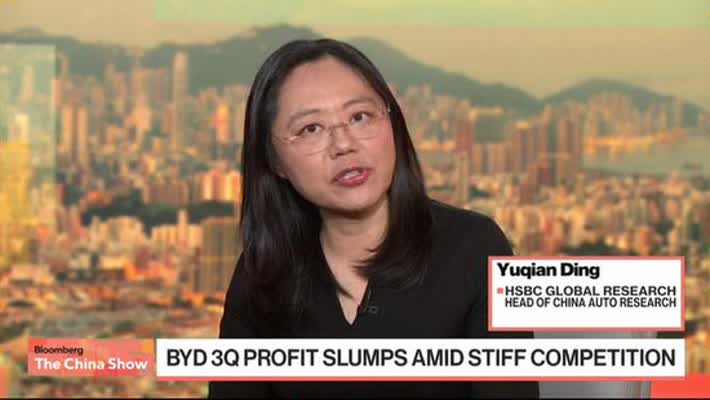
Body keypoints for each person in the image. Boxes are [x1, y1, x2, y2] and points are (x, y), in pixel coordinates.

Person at [209, 38, 539, 399]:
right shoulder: (262, 273)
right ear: (274, 161)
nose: (344, 144)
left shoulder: (474, 249)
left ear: (392, 122)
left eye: (359, 117)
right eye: (311, 129)